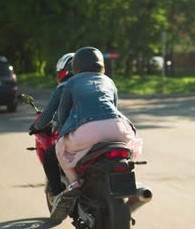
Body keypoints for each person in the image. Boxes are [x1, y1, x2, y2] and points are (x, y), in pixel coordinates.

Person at [50, 47, 141, 223]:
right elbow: (114, 106)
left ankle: (74, 184)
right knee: (126, 152)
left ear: (75, 66)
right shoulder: (109, 81)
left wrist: (60, 128)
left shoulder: (71, 82)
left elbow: (62, 114)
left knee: (60, 150)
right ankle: (130, 181)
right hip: (119, 128)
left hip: (88, 131)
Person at [30, 53, 74, 198]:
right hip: (116, 130)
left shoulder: (64, 87)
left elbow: (48, 113)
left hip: (77, 134)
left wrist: (36, 127)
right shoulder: (106, 82)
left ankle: (57, 193)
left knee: (50, 156)